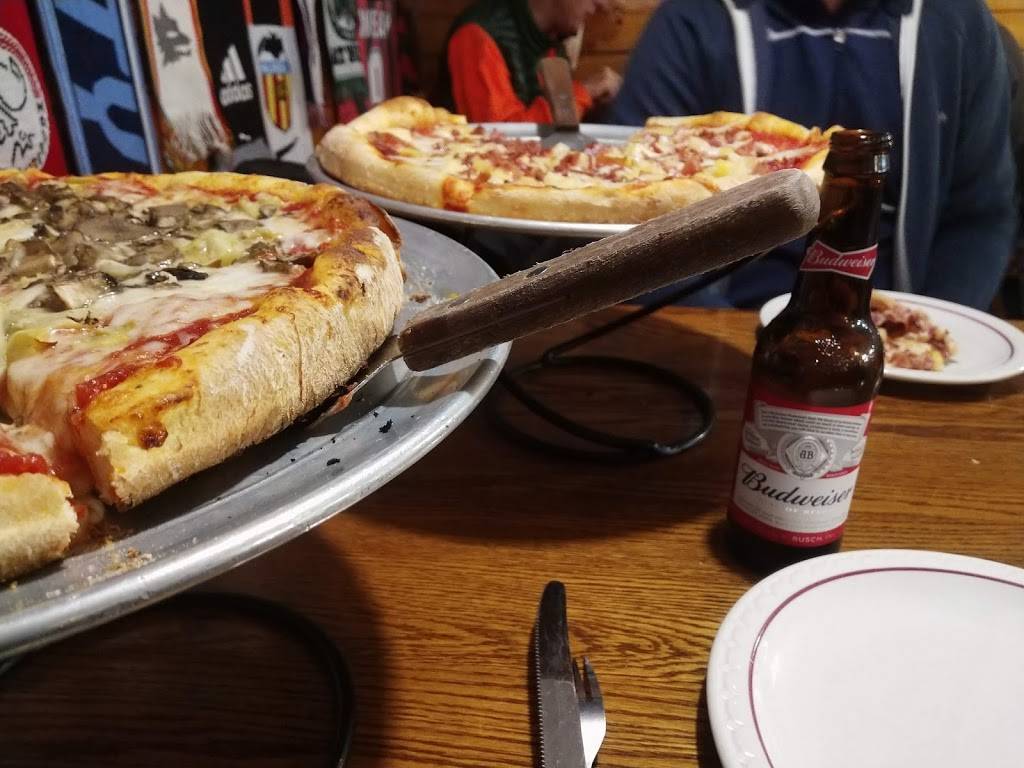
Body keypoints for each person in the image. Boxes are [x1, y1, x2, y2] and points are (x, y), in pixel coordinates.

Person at [611, 0, 1017, 311]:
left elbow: (980, 216)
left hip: (892, 327)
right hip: (723, 323)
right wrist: (722, 338)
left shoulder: (957, 21)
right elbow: (631, 220)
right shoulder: (693, 19)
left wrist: (925, 329)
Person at [437, 0, 622, 123]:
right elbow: (498, 139)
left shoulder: (553, 41)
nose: (603, 4)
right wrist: (586, 91)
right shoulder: (479, 35)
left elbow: (563, 127)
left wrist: (600, 103)